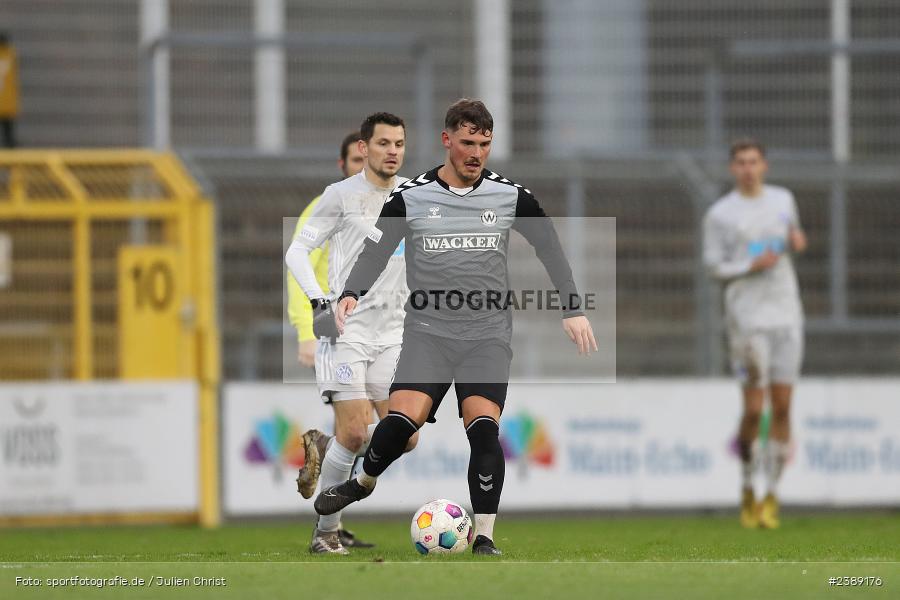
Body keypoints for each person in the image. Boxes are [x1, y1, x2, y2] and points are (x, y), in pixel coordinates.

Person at [313, 99, 598, 555]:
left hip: (486, 336)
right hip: (428, 331)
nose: (476, 153)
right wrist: (351, 293)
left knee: (484, 427)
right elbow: (375, 251)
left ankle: (484, 535)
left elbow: (549, 246)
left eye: (484, 144)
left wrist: (573, 307)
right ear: (447, 140)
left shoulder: (511, 195)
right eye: (467, 142)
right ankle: (363, 481)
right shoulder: (412, 196)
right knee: (403, 421)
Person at [285, 112, 417, 554]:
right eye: (383, 143)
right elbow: (298, 251)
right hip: (346, 332)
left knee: (409, 435)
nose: (392, 151)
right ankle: (325, 533)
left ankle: (329, 447)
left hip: (394, 333)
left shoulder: (414, 196)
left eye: (399, 143)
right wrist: (319, 300)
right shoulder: (340, 196)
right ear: (364, 148)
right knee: (358, 434)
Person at [703, 138, 807, 529]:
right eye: (741, 162)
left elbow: (792, 238)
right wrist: (749, 264)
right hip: (747, 319)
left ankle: (772, 494)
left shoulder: (783, 200)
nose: (748, 168)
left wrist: (796, 242)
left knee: (782, 408)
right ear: (733, 168)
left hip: (787, 314)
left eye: (754, 161)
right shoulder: (720, 214)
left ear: (765, 165)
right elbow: (713, 266)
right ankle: (747, 484)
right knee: (754, 409)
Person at [287, 131, 365, 369]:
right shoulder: (323, 209)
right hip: (338, 331)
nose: (363, 168)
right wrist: (306, 332)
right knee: (355, 406)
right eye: (356, 160)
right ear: (342, 165)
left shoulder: (392, 207)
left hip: (383, 331)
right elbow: (298, 268)